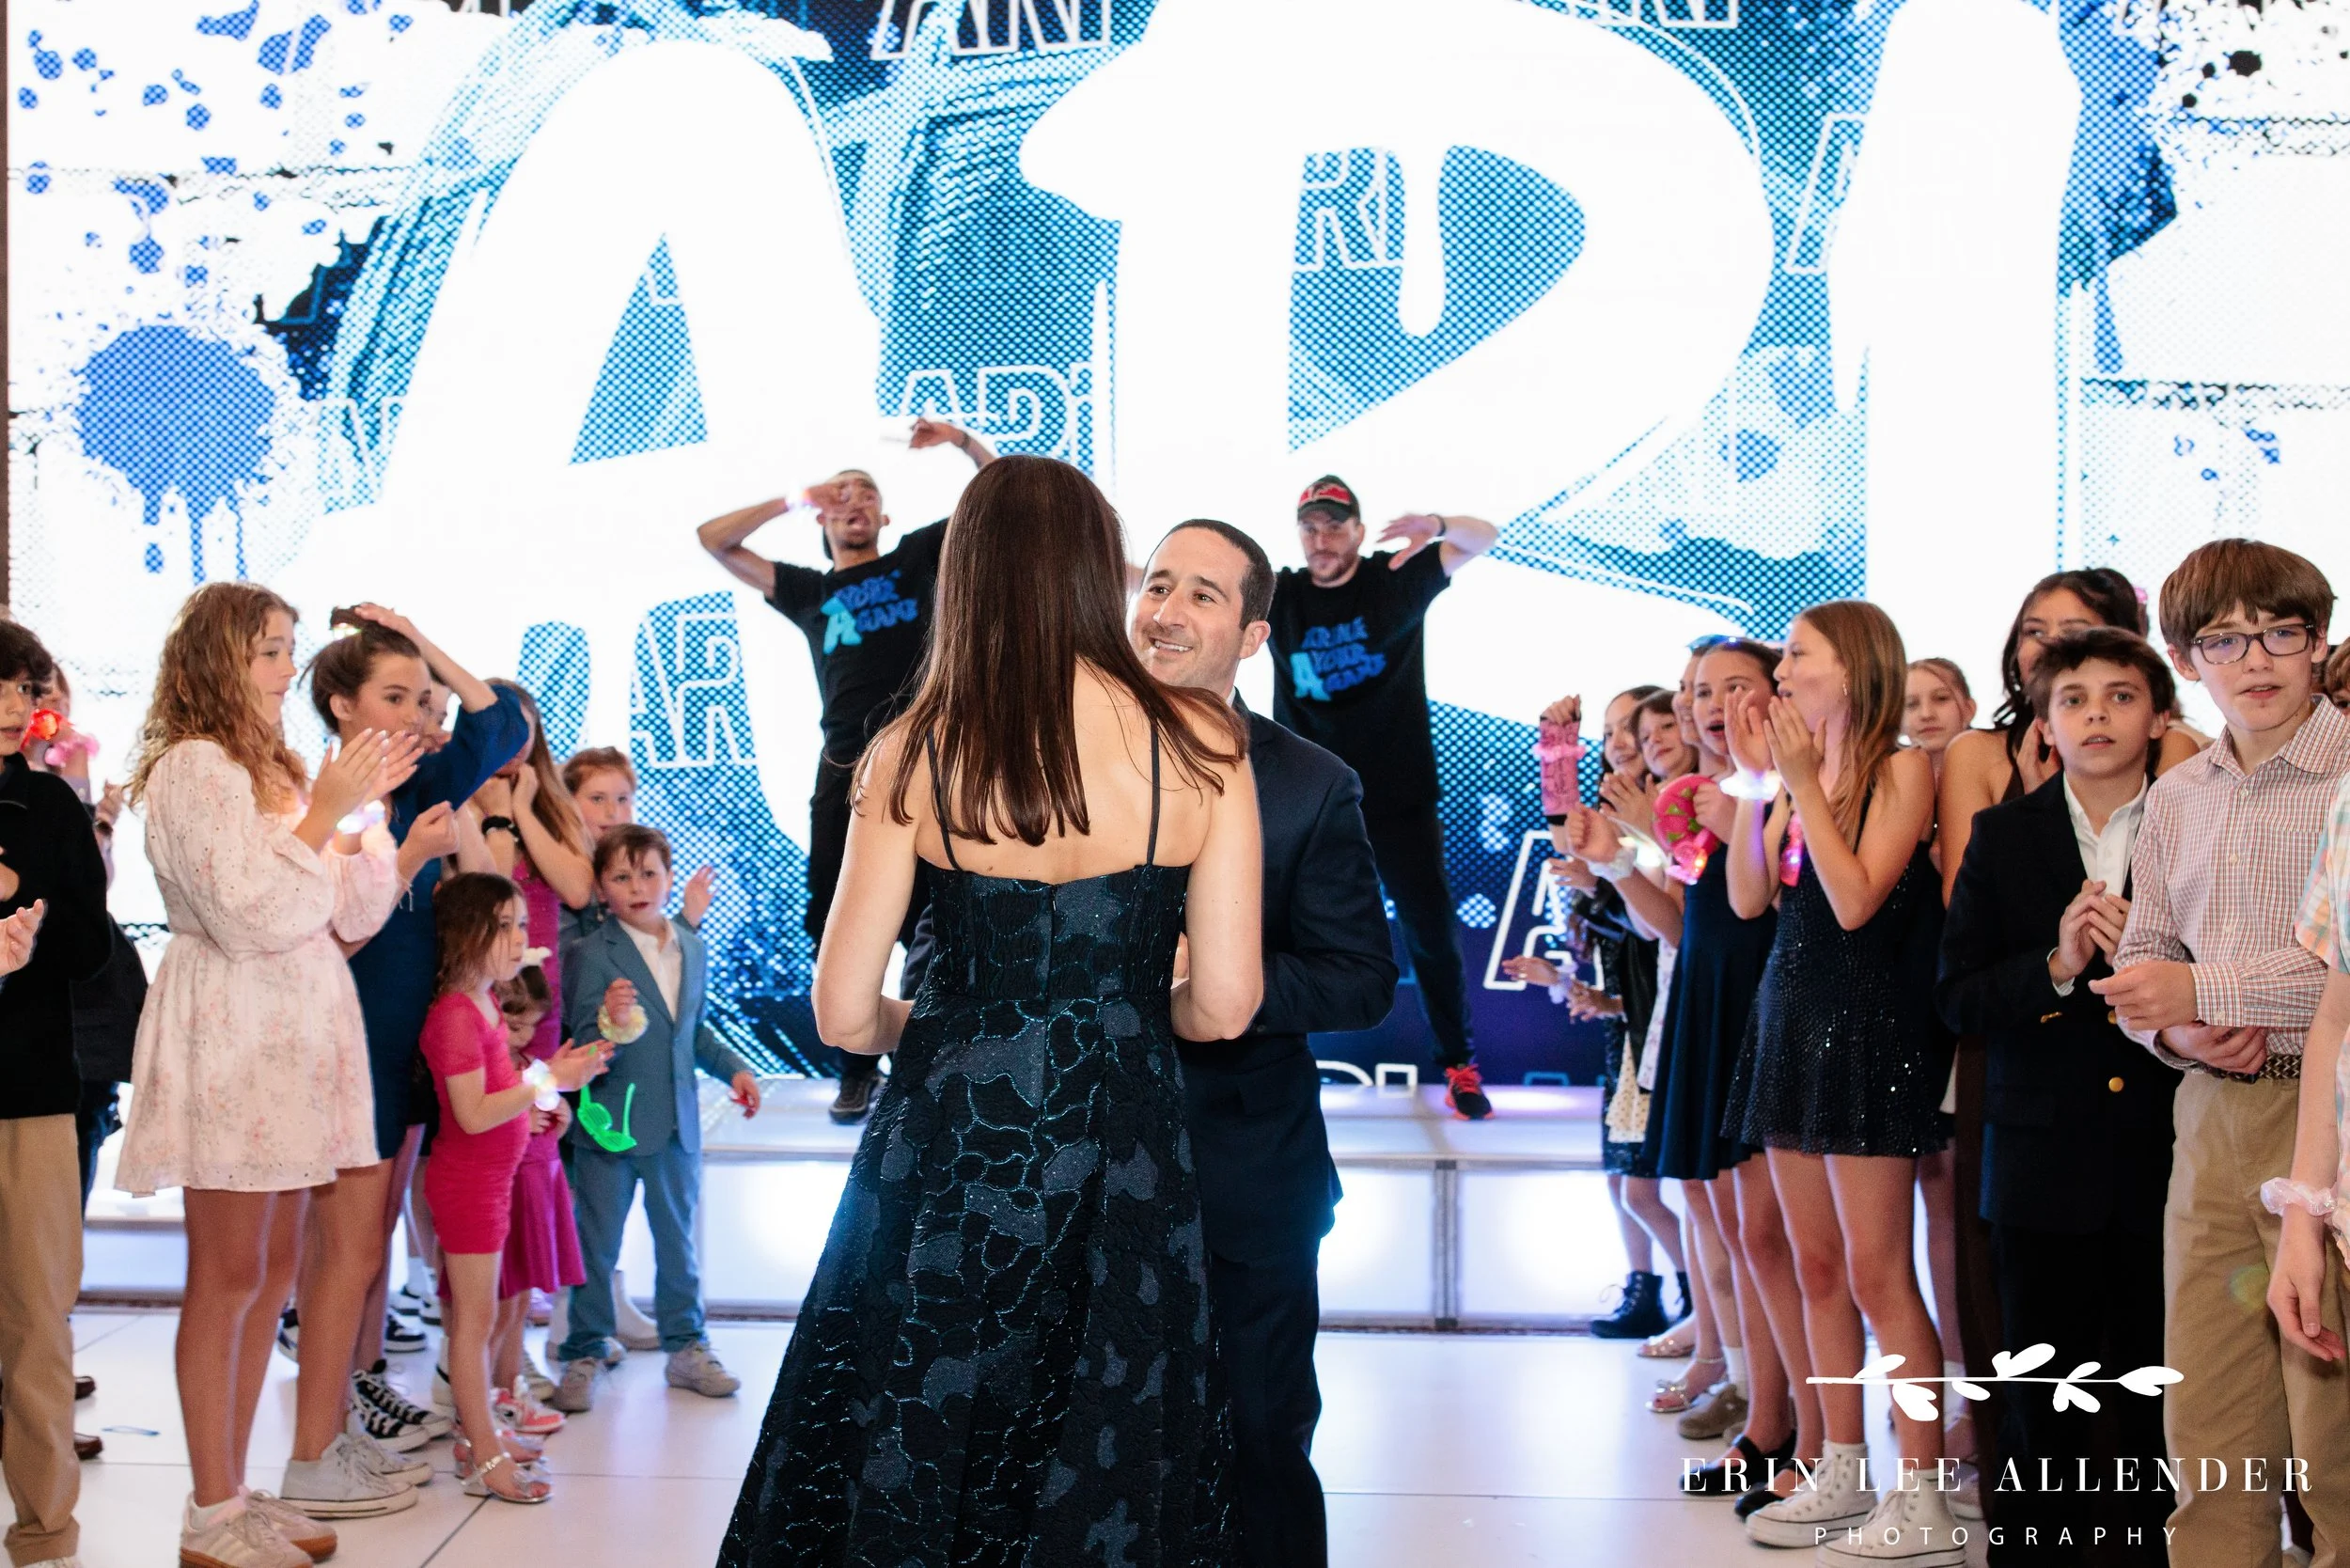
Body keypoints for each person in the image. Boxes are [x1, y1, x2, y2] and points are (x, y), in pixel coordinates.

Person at [720, 456, 1261, 1565]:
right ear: (1094, 571)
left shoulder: (914, 746)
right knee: (1103, 1431)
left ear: (962, 573)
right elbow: (1223, 1004)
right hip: (1123, 1145)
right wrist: (1110, 1010)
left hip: (952, 1136)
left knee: (925, 1420)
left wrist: (948, 1029)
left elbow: (839, 1011)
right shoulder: (1203, 746)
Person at [115, 583, 430, 1566]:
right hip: (235, 1033)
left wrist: (361, 824)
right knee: (229, 1275)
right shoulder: (192, 768)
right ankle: (209, 1511)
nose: (286, 667)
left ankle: (237, 1492)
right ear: (215, 659)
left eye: (289, 648)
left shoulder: (274, 765)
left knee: (273, 1273)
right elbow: (247, 911)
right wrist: (322, 816)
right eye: (267, 651)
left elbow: (342, 914)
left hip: (297, 1037)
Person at [1128, 517, 1396, 1567]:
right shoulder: (1058, 754)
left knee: (1258, 1437)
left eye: (1203, 593)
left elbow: (1359, 977)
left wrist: (1218, 982)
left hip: (1244, 1167)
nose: (1168, 610)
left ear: (1250, 636)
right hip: (1078, 1158)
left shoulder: (1309, 781)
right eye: (1157, 584)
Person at [2092, 539, 2350, 1564]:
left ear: (2318, 640)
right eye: (2225, 640)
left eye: (2281, 633)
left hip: (2326, 1117)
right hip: (2207, 1114)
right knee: (2207, 1432)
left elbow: (2342, 984)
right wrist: (2170, 1025)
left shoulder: (2346, 775)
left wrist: (2206, 989)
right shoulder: (2179, 794)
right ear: (2185, 658)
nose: (2257, 661)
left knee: (2330, 1444)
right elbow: (2141, 967)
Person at [1720, 601, 1960, 1560]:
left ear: (1852, 669)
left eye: (1796, 656)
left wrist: (1802, 787)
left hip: (1868, 1030)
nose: (1780, 672)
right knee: (1814, 1264)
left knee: (1875, 1270)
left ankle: (1927, 1492)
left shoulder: (1900, 767)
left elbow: (1856, 900)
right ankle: (1840, 1468)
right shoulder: (1791, 779)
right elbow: (1747, 898)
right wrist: (1756, 784)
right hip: (1787, 1020)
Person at [1937, 627, 2183, 1560]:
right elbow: (1955, 996)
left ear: (2159, 716)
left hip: (2165, 1153)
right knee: (2040, 1404)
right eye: (2073, 699)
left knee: (2157, 1400)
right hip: (2039, 1164)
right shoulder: (2004, 838)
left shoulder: (2195, 822)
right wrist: (2055, 963)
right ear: (2043, 725)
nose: (2097, 715)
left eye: (2121, 696)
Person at [696, 419, 993, 1123]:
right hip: (846, 773)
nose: (854, 502)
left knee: (938, 919)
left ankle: (929, 1060)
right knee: (836, 917)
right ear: (825, 515)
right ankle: (856, 1069)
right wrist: (799, 496)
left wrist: (958, 440)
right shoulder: (808, 590)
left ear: (885, 516)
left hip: (927, 768)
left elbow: (995, 496)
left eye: (867, 494)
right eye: (842, 495)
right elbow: (714, 539)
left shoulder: (915, 559)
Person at [300, 605, 524, 1463]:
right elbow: (317, 925)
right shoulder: (317, 800)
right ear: (340, 705)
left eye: (426, 699)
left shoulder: (425, 790)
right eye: (398, 697)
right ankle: (335, 1409)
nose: (423, 716)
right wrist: (401, 859)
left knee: (378, 1225)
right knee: (341, 1243)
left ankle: (358, 1390)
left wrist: (415, 636)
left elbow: (500, 721)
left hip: (403, 1038)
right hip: (341, 1035)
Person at [1266, 475, 1500, 1119]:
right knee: (1278, 935)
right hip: (1309, 803)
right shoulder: (1279, 594)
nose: (1322, 538)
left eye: (1335, 525)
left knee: (1429, 936)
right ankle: (1274, 1069)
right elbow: (1161, 580)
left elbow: (1486, 537)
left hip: (1398, 797)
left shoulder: (1391, 579)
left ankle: (1458, 1063)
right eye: (1311, 526)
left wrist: (1438, 522)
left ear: (1359, 532)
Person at [550, 824, 761, 1412]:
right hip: (611, 1124)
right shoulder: (591, 953)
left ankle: (687, 1347)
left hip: (675, 1124)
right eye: (622, 876)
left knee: (678, 1244)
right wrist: (609, 1022)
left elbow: (692, 1030)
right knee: (597, 1245)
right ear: (602, 887)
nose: (637, 886)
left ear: (669, 877)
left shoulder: (689, 944)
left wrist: (736, 1068)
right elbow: (583, 1041)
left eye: (649, 873)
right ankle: (585, 1349)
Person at [421, 874, 609, 1504]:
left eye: (522, 924)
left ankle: (481, 1436)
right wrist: (547, 1078)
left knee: (487, 1320)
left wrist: (540, 1106)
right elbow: (471, 1115)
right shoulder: (454, 1014)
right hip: (468, 1188)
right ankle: (482, 1454)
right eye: (502, 924)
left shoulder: (482, 1004)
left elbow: (497, 1100)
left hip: (492, 1181)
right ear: (462, 934)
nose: (518, 938)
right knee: (472, 1326)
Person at [1510, 689, 1684, 1344]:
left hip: (1652, 1014)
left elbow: (1651, 924)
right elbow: (1574, 843)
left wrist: (1599, 881)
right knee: (1622, 1181)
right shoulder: (1618, 814)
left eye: (1634, 731)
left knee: (1644, 1189)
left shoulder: (1669, 815)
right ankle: (1650, 1288)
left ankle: (1695, 1296)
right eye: (1610, 734)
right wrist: (1557, 751)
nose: (1621, 744)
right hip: (1625, 1022)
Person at [0, 621, 111, 1568]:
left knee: (39, 1321)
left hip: (33, 1095)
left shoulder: (49, 806)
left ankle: (46, 1536)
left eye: (19, 683)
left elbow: (92, 950)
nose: (8, 700)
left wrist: (27, 917)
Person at [491, 967, 579, 1410]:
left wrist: (559, 1117)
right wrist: (519, 1120)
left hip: (537, 1183)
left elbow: (551, 1103)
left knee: (521, 1300)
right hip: (505, 1189)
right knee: (500, 1301)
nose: (523, 1038)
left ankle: (511, 1388)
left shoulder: (530, 1067)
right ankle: (492, 1394)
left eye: (531, 1026)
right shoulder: (487, 1069)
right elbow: (478, 1119)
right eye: (514, 1025)